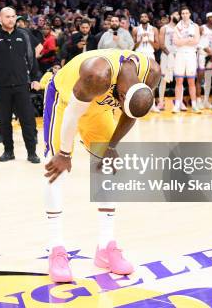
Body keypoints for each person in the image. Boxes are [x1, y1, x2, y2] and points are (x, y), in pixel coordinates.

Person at [42, 49, 160, 283]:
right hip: (65, 101)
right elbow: (73, 116)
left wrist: (112, 147)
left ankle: (105, 247)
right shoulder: (98, 73)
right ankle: (56, 249)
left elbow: (131, 114)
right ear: (122, 94)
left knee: (109, 166)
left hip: (98, 109)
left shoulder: (151, 72)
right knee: (55, 170)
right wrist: (64, 154)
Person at [0, 7, 40, 164]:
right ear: (0, 18)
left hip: (22, 85)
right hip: (1, 86)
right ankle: (8, 152)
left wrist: (35, 78)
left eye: (13, 16)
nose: (11, 19)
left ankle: (32, 152)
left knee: (27, 120)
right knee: (5, 121)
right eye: (7, 17)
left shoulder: (24, 35)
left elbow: (31, 58)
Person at [172, 6, 200, 113]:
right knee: (179, 80)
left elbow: (196, 41)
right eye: (182, 13)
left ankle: (194, 105)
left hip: (191, 55)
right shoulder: (177, 27)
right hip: (179, 54)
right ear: (180, 15)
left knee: (191, 81)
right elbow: (176, 42)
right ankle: (177, 105)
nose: (184, 15)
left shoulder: (195, 26)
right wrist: (188, 39)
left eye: (186, 13)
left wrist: (182, 40)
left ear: (190, 14)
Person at [156, 11, 178, 110]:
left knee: (179, 79)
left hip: (178, 55)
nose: (177, 16)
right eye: (175, 14)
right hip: (166, 55)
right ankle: (161, 102)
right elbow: (161, 44)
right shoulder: (164, 28)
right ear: (170, 16)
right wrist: (169, 54)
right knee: (163, 79)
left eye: (178, 15)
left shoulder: (181, 28)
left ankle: (179, 102)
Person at [197, 12, 212, 109]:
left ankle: (206, 101)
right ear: (207, 18)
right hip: (202, 54)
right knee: (200, 79)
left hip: (211, 55)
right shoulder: (201, 28)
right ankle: (198, 100)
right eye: (211, 17)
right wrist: (204, 48)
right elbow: (197, 41)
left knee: (208, 80)